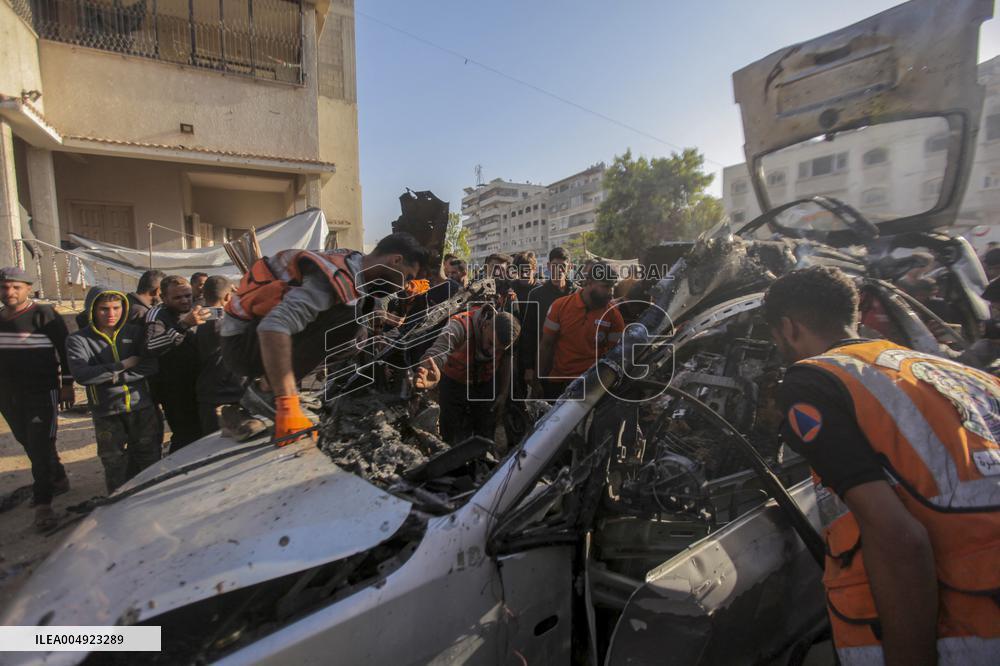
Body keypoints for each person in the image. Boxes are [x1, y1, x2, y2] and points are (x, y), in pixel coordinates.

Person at [763, 265, 1000, 666]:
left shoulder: (814, 381)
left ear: (788, 327)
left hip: (964, 632)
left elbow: (898, 537)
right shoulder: (949, 372)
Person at [221, 233, 430, 443]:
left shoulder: (353, 263)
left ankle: (257, 397)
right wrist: (287, 404)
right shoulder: (336, 278)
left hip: (249, 338)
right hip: (242, 344)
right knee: (347, 321)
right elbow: (273, 327)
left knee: (355, 329)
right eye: (408, 277)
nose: (405, 286)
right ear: (396, 260)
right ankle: (268, 392)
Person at [66, 289, 162, 493]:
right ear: (92, 310)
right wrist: (123, 365)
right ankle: (118, 504)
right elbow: (83, 375)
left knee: (149, 457)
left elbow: (150, 367)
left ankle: (154, 499)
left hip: (140, 407)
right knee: (114, 463)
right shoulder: (78, 340)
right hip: (106, 412)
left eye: (116, 308)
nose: (111, 314)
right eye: (104, 309)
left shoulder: (134, 333)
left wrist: (108, 377)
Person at [0, 267, 72, 530]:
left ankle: (43, 504)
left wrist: (67, 384)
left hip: (41, 391)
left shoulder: (45, 314)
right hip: (8, 394)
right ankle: (59, 478)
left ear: (28, 288)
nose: (9, 292)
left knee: (40, 444)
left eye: (15, 287)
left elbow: (66, 350)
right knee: (27, 441)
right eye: (4, 287)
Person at [413, 307, 521, 445]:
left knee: (485, 435)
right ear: (486, 325)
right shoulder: (459, 326)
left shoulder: (508, 335)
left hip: (485, 384)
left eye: (498, 349)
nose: (492, 352)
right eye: (491, 344)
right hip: (453, 384)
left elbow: (507, 359)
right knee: (451, 436)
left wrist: (503, 393)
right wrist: (428, 369)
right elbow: (439, 349)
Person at [537, 261, 624, 399]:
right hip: (558, 382)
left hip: (591, 386)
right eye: (606, 287)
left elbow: (616, 357)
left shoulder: (614, 316)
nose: (610, 293)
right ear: (589, 282)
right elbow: (546, 345)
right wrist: (538, 379)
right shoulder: (560, 306)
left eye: (612, 287)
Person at [145, 275, 208, 451]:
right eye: (177, 297)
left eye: (188, 295)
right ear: (164, 298)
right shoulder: (156, 314)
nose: (184, 300)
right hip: (173, 387)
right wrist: (183, 326)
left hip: (200, 382)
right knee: (186, 435)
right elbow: (151, 346)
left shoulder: (197, 308)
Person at [195, 276, 254, 435]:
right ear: (228, 296)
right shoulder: (228, 321)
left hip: (209, 395)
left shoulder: (196, 318)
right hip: (230, 395)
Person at [520, 247, 574, 398]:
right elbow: (528, 332)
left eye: (563, 266)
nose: (559, 270)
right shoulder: (536, 295)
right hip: (544, 365)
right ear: (549, 266)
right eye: (555, 266)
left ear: (569, 267)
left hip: (572, 367)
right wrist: (529, 367)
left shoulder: (578, 294)